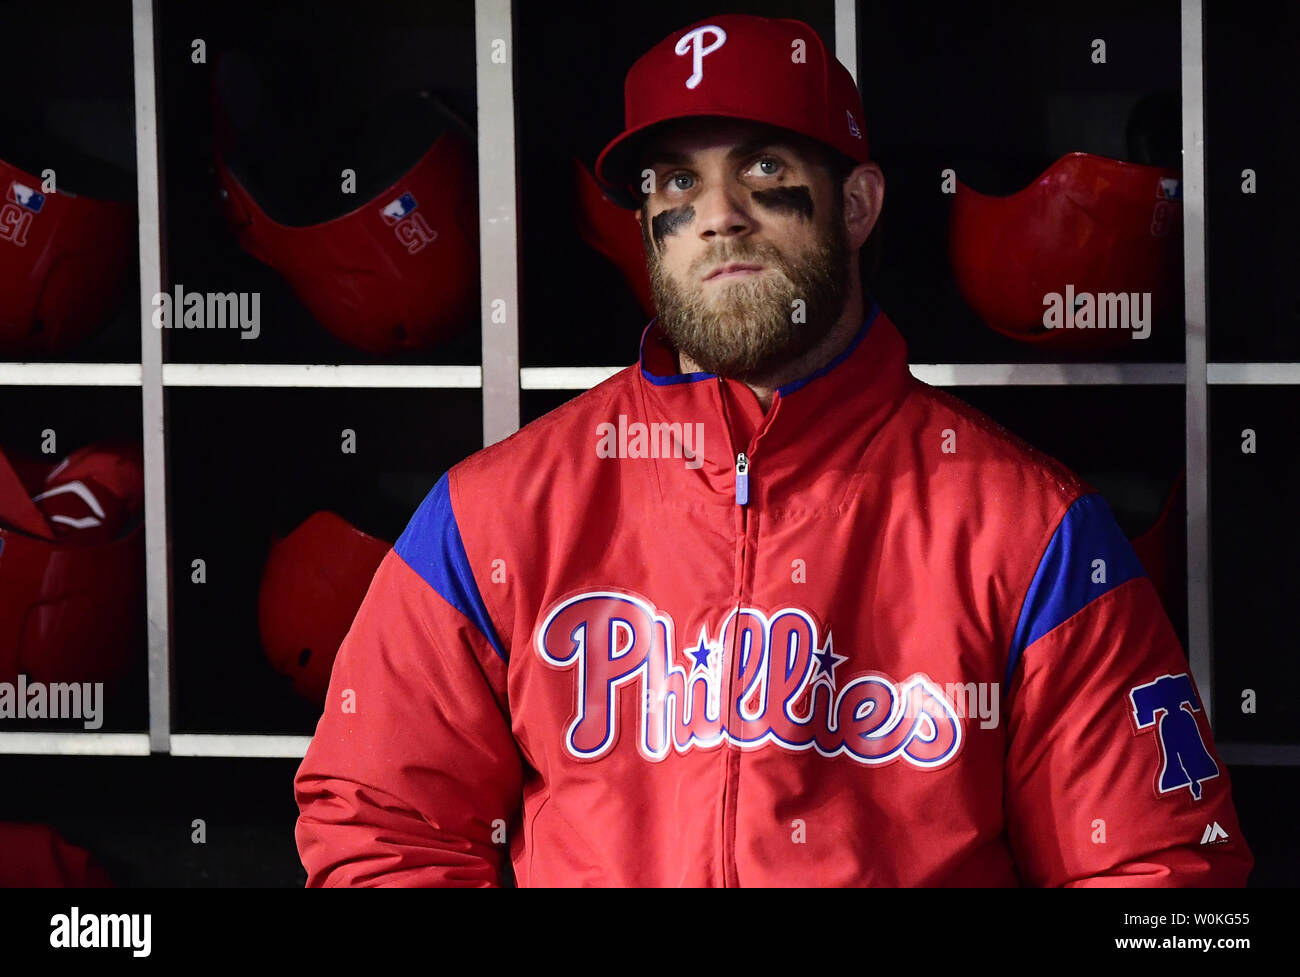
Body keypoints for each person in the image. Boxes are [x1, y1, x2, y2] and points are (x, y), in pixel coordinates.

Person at [293, 13, 1252, 887]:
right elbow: (380, 824)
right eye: (677, 181)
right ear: (646, 228)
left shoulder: (1029, 526)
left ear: (860, 204)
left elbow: (1165, 871)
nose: (718, 214)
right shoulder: (493, 513)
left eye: (762, 171)